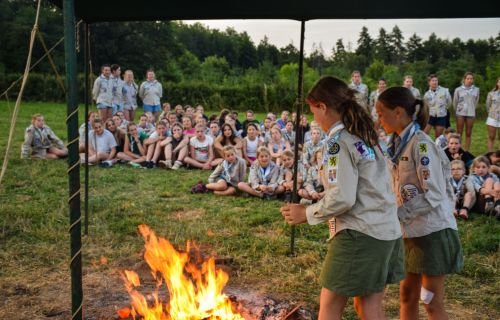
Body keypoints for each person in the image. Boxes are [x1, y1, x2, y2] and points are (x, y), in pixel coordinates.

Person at [281, 76, 403, 320]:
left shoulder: (338, 144)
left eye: (313, 110)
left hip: (360, 234)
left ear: (323, 107)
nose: (313, 117)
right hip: (385, 229)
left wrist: (305, 213)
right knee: (369, 306)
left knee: (329, 308)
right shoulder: (364, 137)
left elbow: (343, 198)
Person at [376, 86, 463, 320]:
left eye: (381, 113)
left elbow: (433, 194)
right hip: (411, 232)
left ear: (397, 112)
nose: (379, 119)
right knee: (406, 295)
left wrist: (397, 214)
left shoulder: (421, 144)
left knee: (431, 301)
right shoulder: (396, 146)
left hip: (433, 232)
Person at [453, 72, 480, 151]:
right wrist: (458, 110)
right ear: (464, 79)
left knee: (468, 133)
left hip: (471, 113)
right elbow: (455, 102)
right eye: (468, 78)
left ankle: (467, 151)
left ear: (473, 80)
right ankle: (459, 149)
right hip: (460, 113)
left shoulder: (476, 90)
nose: (469, 80)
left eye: (471, 78)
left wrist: (472, 109)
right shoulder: (458, 89)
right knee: (459, 133)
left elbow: (476, 101)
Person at [423, 74, 452, 139]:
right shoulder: (426, 94)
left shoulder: (445, 91)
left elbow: (449, 102)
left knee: (438, 137)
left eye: (436, 80)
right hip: (430, 116)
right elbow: (425, 106)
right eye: (433, 80)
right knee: (423, 135)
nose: (435, 82)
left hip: (441, 116)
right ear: (429, 82)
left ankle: (437, 149)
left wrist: (443, 109)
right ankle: (423, 149)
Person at [486, 78, 500, 152]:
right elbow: (488, 106)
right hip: (492, 118)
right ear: (497, 83)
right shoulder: (491, 94)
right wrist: (492, 113)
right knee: (491, 136)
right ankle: (490, 153)